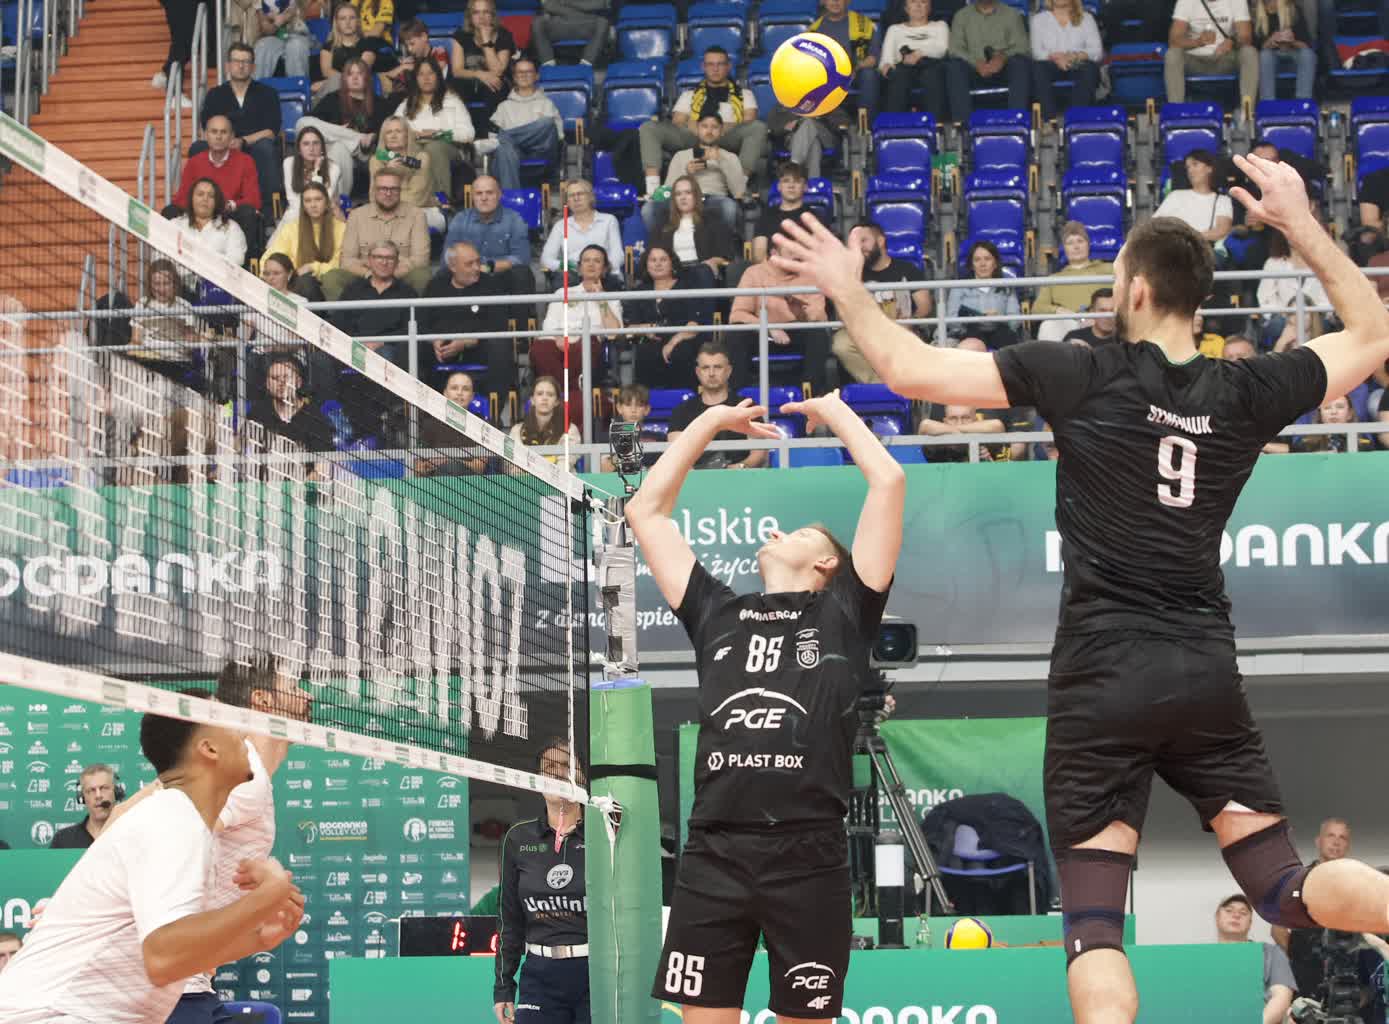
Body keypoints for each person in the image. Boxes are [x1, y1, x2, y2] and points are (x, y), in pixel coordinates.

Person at [768, 153, 1389, 1024]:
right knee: (1283, 888)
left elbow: (908, 370)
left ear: (1135, 289)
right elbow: (1371, 335)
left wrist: (845, 285)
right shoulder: (1246, 389)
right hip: (1202, 671)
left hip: (1102, 675)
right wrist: (1299, 221)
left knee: (1095, 927)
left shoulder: (1082, 370)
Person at [629, 387, 903, 1023]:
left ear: (827, 563)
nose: (778, 532)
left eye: (801, 532)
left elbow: (888, 481)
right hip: (714, 850)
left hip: (808, 854)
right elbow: (647, 511)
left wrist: (834, 411)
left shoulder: (845, 613)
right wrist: (711, 422)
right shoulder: (717, 612)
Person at [0, 706, 303, 1024]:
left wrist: (260, 938)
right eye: (231, 727)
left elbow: (172, 960)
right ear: (209, 749)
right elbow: (163, 960)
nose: (243, 733)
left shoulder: (186, 823)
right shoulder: (171, 820)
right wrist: (269, 893)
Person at [155, 658, 312, 1024]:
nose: (307, 696)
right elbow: (169, 834)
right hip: (170, 993)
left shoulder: (251, 777)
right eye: (293, 687)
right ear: (262, 700)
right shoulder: (248, 779)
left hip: (189, 985)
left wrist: (260, 936)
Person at [493, 740, 589, 1024]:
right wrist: (503, 986)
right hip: (540, 977)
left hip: (596, 973)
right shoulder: (518, 838)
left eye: (567, 766)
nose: (557, 772)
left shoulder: (603, 833)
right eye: (549, 767)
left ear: (583, 777)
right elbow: (509, 920)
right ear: (537, 780)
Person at [639, 47, 768, 197]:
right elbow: (678, 122)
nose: (715, 69)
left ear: (728, 66)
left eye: (720, 64)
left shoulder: (744, 94)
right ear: (703, 67)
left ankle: (740, 185)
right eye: (710, 64)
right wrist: (704, 129)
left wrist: (712, 127)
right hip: (693, 137)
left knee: (758, 127)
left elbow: (748, 121)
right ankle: (653, 189)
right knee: (649, 127)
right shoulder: (690, 94)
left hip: (727, 137)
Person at [532, 245, 623, 430]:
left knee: (587, 342)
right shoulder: (562, 293)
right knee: (539, 348)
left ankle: (560, 393)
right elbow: (548, 327)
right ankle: (569, 390)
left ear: (605, 268)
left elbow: (613, 333)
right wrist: (559, 338)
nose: (591, 264)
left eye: (597, 261)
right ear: (579, 268)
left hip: (588, 346)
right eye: (586, 260)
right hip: (558, 345)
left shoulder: (611, 297)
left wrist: (601, 300)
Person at [730, 239, 834, 394]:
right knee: (735, 335)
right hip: (762, 332)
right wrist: (768, 328)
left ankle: (809, 394)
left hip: (796, 331)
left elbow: (820, 318)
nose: (796, 257)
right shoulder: (754, 273)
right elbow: (737, 315)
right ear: (774, 253)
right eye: (790, 252)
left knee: (818, 334)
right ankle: (739, 396)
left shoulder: (810, 275)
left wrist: (800, 308)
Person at [833, 222, 932, 383]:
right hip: (864, 331)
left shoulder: (907, 269)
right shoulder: (851, 274)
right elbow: (841, 313)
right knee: (841, 344)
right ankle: (880, 385)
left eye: (863, 241)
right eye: (854, 244)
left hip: (900, 327)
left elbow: (925, 306)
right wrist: (854, 272)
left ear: (880, 241)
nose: (859, 248)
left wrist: (910, 322)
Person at [321, 168, 432, 300]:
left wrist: (391, 274)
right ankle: (352, 312)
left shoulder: (417, 215)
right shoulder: (356, 215)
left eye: (394, 189)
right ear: (374, 190)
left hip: (401, 275)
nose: (388, 193)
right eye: (383, 189)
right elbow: (347, 260)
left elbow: (420, 259)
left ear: (400, 191)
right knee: (332, 278)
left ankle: (410, 313)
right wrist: (370, 275)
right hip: (364, 275)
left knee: (422, 276)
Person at [421, 241, 514, 396]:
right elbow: (421, 322)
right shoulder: (435, 286)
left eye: (478, 262)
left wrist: (466, 342)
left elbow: (498, 325)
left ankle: (495, 406)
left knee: (500, 345)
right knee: (411, 345)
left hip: (478, 347)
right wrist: (433, 340)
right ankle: (413, 404)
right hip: (441, 349)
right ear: (452, 267)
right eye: (469, 264)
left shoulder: (491, 285)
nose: (477, 268)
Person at [1273, 818, 1353, 996]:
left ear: (1347, 846)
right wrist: (1298, 958)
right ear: (1318, 841)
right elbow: (1277, 930)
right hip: (1304, 977)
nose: (1336, 842)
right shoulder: (1297, 881)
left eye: (1342, 838)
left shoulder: (1356, 884)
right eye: (1330, 835)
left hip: (1347, 975)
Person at [199, 43, 284, 203]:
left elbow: (271, 131)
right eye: (236, 61)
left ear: (253, 67)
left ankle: (268, 212)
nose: (241, 66)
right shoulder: (215, 94)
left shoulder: (268, 93)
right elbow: (206, 128)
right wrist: (225, 142)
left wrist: (243, 141)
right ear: (227, 66)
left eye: (246, 62)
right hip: (221, 146)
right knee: (198, 148)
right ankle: (202, 206)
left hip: (255, 146)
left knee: (265, 147)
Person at [666, 343, 769, 469]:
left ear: (728, 371)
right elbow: (676, 453)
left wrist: (739, 468)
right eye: (705, 368)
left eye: (718, 367)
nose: (711, 373)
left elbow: (759, 454)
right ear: (698, 372)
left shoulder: (747, 407)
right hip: (694, 478)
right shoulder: (681, 411)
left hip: (740, 477)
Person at [298, 57, 389, 200]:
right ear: (344, 78)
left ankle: (337, 201)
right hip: (340, 151)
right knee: (303, 123)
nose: (355, 78)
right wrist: (338, 131)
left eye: (360, 73)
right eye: (350, 74)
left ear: (367, 78)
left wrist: (373, 137)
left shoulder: (380, 104)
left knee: (339, 145)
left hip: (368, 153)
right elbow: (309, 127)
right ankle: (339, 203)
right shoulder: (332, 99)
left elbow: (387, 134)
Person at [626, 244, 713, 389]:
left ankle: (684, 397)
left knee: (680, 352)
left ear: (672, 263)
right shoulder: (639, 291)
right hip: (652, 341)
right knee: (644, 352)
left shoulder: (687, 286)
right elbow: (631, 327)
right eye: (653, 260)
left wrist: (672, 343)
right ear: (646, 265)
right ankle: (648, 400)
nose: (658, 264)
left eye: (663, 259)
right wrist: (646, 328)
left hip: (683, 338)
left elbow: (694, 324)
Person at [644, 113, 747, 235]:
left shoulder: (730, 157)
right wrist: (686, 174)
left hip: (714, 199)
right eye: (704, 126)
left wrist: (721, 161)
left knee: (729, 207)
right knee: (648, 208)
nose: (709, 131)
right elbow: (668, 191)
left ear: (721, 131)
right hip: (684, 198)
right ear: (698, 129)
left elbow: (739, 192)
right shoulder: (681, 155)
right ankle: (658, 244)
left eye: (714, 127)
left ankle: (723, 246)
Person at [173, 118, 263, 255]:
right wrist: (199, 205)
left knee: (248, 213)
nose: (219, 137)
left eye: (223, 132)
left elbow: (254, 200)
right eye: (214, 132)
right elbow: (181, 199)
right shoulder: (194, 162)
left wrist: (229, 205)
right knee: (170, 211)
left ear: (231, 137)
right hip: (199, 212)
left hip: (229, 213)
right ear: (206, 135)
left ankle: (244, 264)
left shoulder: (245, 161)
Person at [441, 175, 537, 302]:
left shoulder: (514, 220)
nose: (484, 198)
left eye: (489, 193)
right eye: (479, 193)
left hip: (501, 278)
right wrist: (469, 268)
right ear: (472, 196)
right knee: (442, 276)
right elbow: (447, 258)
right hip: (467, 277)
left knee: (522, 274)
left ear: (499, 195)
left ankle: (522, 316)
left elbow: (522, 258)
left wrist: (488, 267)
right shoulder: (460, 220)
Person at [393, 56, 476, 203]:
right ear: (416, 79)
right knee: (388, 154)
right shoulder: (406, 105)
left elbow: (469, 133)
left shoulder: (452, 101)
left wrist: (439, 134)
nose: (426, 78)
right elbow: (392, 130)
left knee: (434, 147)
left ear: (438, 76)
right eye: (421, 74)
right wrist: (410, 135)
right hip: (415, 147)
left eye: (430, 73)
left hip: (447, 147)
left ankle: (441, 201)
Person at [1213, 894, 1297, 1024]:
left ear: (1250, 922)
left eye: (1243, 913)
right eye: (1229, 910)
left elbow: (1281, 997)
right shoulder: (1202, 959)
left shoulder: (1271, 953)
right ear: (1217, 917)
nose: (1236, 915)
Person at [946, 0, 1030, 125]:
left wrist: (1003, 58)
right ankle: (963, 126)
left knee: (1020, 64)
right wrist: (975, 63)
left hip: (1003, 69)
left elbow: (1022, 46)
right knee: (954, 67)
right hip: (973, 70)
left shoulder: (1012, 14)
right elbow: (955, 49)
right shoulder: (961, 16)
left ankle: (1017, 122)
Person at [128, 258, 207, 388]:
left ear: (174, 284)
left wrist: (193, 338)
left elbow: (190, 342)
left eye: (166, 283)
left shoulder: (184, 306)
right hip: (149, 361)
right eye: (157, 284)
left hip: (176, 362)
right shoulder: (142, 304)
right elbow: (135, 340)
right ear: (150, 285)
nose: (161, 289)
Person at [1165, 0, 1259, 106]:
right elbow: (1174, 40)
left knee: (1249, 52)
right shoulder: (1186, 2)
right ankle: (1176, 110)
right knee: (1172, 54)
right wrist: (1198, 42)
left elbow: (1246, 37)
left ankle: (1247, 111)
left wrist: (1232, 42)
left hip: (1225, 59)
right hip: (1195, 60)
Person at [651, 175, 740, 287]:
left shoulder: (712, 220)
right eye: (678, 194)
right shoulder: (663, 224)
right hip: (673, 274)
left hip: (701, 272)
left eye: (688, 193)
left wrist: (712, 262)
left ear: (696, 196)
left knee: (702, 272)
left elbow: (725, 254)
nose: (683, 197)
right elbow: (652, 253)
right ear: (674, 199)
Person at [263, 182, 346, 301]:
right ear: (303, 205)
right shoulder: (291, 228)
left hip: (330, 282)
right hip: (299, 282)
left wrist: (313, 267)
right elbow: (270, 258)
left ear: (327, 202)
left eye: (318, 199)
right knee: (306, 282)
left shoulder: (341, 228)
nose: (313, 205)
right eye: (308, 201)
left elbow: (341, 264)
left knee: (317, 281)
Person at [491, 58, 564, 191]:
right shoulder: (504, 107)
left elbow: (558, 136)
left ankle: (506, 137)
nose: (524, 75)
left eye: (529, 72)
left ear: (536, 76)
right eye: (520, 72)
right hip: (513, 156)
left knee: (547, 123)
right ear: (514, 77)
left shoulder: (547, 104)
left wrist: (506, 137)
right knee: (503, 149)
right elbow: (492, 140)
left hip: (540, 154)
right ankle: (513, 199)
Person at [1035, 222, 1115, 342]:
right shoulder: (1054, 279)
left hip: (1104, 320)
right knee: (1048, 326)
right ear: (1064, 248)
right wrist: (1060, 311)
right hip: (1070, 322)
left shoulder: (1109, 269)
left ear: (1088, 245)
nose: (1076, 246)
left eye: (1080, 241)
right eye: (1070, 243)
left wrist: (1096, 316)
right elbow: (1037, 308)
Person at [1257, 226, 1331, 351]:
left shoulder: (1325, 262)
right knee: (1277, 325)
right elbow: (1265, 298)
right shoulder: (1273, 263)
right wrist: (1287, 315)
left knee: (1322, 325)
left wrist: (1311, 315)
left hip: (1316, 316)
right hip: (1284, 317)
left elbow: (1329, 298)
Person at [810, 0, 884, 123]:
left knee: (869, 74)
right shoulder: (813, 31)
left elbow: (873, 58)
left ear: (848, 1)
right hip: (827, 76)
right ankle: (827, 125)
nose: (835, 2)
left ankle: (867, 125)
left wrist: (855, 67)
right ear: (823, 2)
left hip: (857, 73)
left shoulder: (864, 25)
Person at [246, 353, 337, 452]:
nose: (281, 383)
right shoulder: (258, 412)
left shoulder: (316, 419)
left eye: (286, 377)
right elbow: (240, 447)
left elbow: (322, 460)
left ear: (299, 382)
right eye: (275, 378)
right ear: (267, 384)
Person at [1030, 0, 1104, 119]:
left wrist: (1074, 56)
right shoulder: (1038, 19)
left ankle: (1078, 118)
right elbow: (1037, 52)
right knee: (1038, 68)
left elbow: (1097, 51)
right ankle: (1048, 119)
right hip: (1051, 63)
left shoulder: (1086, 18)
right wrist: (1056, 58)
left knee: (1089, 68)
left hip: (1078, 63)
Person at [369, 115, 445, 229]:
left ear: (407, 135)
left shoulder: (421, 158)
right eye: (389, 132)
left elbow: (416, 199)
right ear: (383, 137)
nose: (393, 136)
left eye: (398, 131)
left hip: (421, 211)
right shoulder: (376, 160)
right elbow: (374, 197)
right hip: (387, 213)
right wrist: (388, 173)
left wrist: (386, 196)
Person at [880, 0, 951, 121]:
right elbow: (886, 59)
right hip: (903, 67)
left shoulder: (940, 26)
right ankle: (894, 125)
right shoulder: (894, 29)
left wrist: (919, 53)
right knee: (898, 76)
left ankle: (934, 124)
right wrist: (886, 67)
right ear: (906, 8)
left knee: (932, 74)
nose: (918, 5)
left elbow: (943, 49)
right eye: (913, 1)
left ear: (929, 7)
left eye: (923, 2)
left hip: (931, 66)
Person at [542, 179, 623, 283]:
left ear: (590, 197)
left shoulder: (609, 220)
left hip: (604, 276)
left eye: (580, 194)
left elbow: (617, 255)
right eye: (571, 195)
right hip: (573, 276)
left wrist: (600, 269)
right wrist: (570, 266)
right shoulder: (560, 225)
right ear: (567, 202)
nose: (576, 198)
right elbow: (546, 259)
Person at [945, 239, 1023, 348]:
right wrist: (976, 320)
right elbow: (952, 320)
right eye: (977, 260)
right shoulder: (959, 287)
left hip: (1001, 332)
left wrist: (998, 318)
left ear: (995, 263)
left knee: (1006, 338)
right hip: (969, 333)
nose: (982, 264)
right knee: (972, 341)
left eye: (987, 259)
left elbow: (1014, 321)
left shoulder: (1006, 287)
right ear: (971, 265)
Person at [451, 0, 515, 131]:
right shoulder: (461, 35)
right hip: (471, 81)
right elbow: (457, 71)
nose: (481, 17)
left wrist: (486, 40)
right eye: (476, 13)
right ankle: (459, 132)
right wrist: (480, 74)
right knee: (456, 85)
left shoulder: (504, 35)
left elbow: (498, 71)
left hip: (494, 84)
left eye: (486, 12)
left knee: (495, 84)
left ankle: (493, 133)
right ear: (470, 16)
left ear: (493, 15)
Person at [751, 163, 831, 265]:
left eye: (797, 181)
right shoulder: (766, 217)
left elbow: (822, 255)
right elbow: (759, 257)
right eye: (786, 181)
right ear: (779, 186)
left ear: (805, 187)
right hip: (772, 270)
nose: (791, 186)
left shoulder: (815, 219)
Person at [1154, 150, 1234, 248]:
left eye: (1195, 164)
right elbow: (1155, 225)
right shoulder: (1175, 196)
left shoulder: (1222, 201)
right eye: (1188, 167)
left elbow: (1221, 231)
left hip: (1202, 250)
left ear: (1209, 168)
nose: (1190, 171)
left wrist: (1188, 238)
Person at [418, 371, 490, 476]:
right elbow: (417, 469)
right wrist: (429, 465)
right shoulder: (429, 425)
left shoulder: (481, 425)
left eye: (465, 389)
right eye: (454, 388)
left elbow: (479, 467)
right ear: (445, 393)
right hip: (436, 482)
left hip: (470, 482)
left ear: (472, 396)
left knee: (451, 468)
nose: (460, 393)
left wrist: (448, 461)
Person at [507, 376, 581, 473]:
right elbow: (510, 463)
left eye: (550, 395)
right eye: (539, 394)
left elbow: (564, 465)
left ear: (557, 401)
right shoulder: (516, 431)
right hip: (524, 481)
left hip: (559, 481)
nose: (544, 398)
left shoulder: (570, 430)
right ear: (532, 400)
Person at [279, 127, 343, 226]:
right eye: (306, 144)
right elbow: (294, 202)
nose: (311, 148)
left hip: (324, 217)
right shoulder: (289, 163)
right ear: (299, 149)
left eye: (316, 143)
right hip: (296, 216)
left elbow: (320, 203)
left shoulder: (333, 168)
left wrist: (317, 170)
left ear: (322, 148)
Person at [1253, 0, 1315, 99]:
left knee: (1307, 54)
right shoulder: (1256, 14)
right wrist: (1269, 42)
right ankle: (1267, 102)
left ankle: (1303, 100)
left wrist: (1292, 41)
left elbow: (1307, 45)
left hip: (1294, 56)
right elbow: (1254, 50)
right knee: (1265, 55)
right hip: (1270, 59)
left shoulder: (1292, 9)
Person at [50, 763, 121, 849]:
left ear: (116, 792)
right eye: (91, 790)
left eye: (104, 788)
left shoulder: (131, 834)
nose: (98, 795)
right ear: (82, 797)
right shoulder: (63, 839)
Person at [315, 0, 376, 98]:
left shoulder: (368, 45)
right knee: (334, 82)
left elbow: (360, 71)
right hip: (332, 92)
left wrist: (324, 83)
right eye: (343, 18)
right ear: (337, 23)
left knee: (335, 81)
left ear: (358, 21)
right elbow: (326, 71)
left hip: (358, 91)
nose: (348, 22)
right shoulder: (328, 46)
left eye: (352, 18)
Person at [379, 18, 451, 101]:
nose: (409, 49)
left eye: (412, 44)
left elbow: (435, 70)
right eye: (406, 45)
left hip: (438, 97)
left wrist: (406, 67)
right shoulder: (410, 61)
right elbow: (390, 76)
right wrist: (402, 69)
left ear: (424, 37)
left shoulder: (439, 51)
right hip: (415, 98)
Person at [599, 384, 664, 472]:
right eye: (628, 405)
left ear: (647, 409)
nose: (633, 410)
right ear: (619, 408)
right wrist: (621, 455)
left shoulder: (660, 438)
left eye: (639, 405)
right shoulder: (609, 437)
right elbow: (602, 470)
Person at [531, 0, 609, 68]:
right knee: (538, 22)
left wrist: (567, 2)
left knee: (602, 22)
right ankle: (548, 65)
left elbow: (599, 4)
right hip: (561, 25)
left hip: (586, 24)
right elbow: (549, 5)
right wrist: (580, 9)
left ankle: (586, 65)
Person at [1293, 393, 1374, 452]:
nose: (1334, 412)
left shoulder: (1363, 445)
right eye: (1327, 408)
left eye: (1340, 407)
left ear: (1349, 414)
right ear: (1320, 415)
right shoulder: (1307, 445)